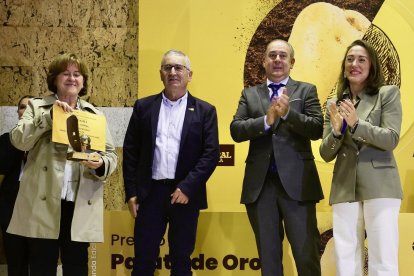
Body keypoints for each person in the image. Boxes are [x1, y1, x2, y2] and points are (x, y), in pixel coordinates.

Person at [7, 53, 118, 276]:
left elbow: (110, 155)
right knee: (41, 266)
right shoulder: (37, 107)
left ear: (83, 81)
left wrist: (100, 163)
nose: (71, 78)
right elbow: (19, 141)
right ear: (55, 79)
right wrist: (49, 118)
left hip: (78, 203)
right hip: (43, 204)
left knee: (77, 267)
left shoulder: (95, 115)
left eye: (77, 74)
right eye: (65, 73)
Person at [230, 39, 324, 276]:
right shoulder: (250, 95)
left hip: (298, 187)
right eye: (272, 55)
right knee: (269, 262)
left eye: (283, 56)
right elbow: (236, 130)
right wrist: (267, 120)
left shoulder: (306, 90)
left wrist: (289, 114)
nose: (277, 60)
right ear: (263, 62)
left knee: (306, 258)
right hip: (261, 189)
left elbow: (316, 129)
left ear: (292, 62)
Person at [123, 49, 220, 276]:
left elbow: (211, 154)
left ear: (189, 74)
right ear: (160, 74)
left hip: (185, 196)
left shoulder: (205, 111)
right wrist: (131, 192)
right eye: (168, 68)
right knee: (143, 260)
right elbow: (130, 152)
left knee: (181, 261)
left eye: (179, 68)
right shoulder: (143, 107)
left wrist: (187, 187)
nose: (173, 72)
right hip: (149, 195)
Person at [319, 39, 402, 276]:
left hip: (380, 185)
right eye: (350, 59)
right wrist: (336, 132)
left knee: (383, 256)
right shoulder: (333, 104)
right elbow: (325, 153)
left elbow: (391, 139)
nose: (354, 64)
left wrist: (356, 124)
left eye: (361, 59)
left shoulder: (387, 94)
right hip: (344, 184)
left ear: (371, 66)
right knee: (345, 256)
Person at [0, 95, 33, 276]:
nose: (26, 110)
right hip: (11, 209)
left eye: (30, 107)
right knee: (16, 264)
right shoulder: (7, 139)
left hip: (39, 211)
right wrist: (20, 139)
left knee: (39, 263)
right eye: (21, 107)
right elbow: (2, 165)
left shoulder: (47, 141)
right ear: (17, 113)